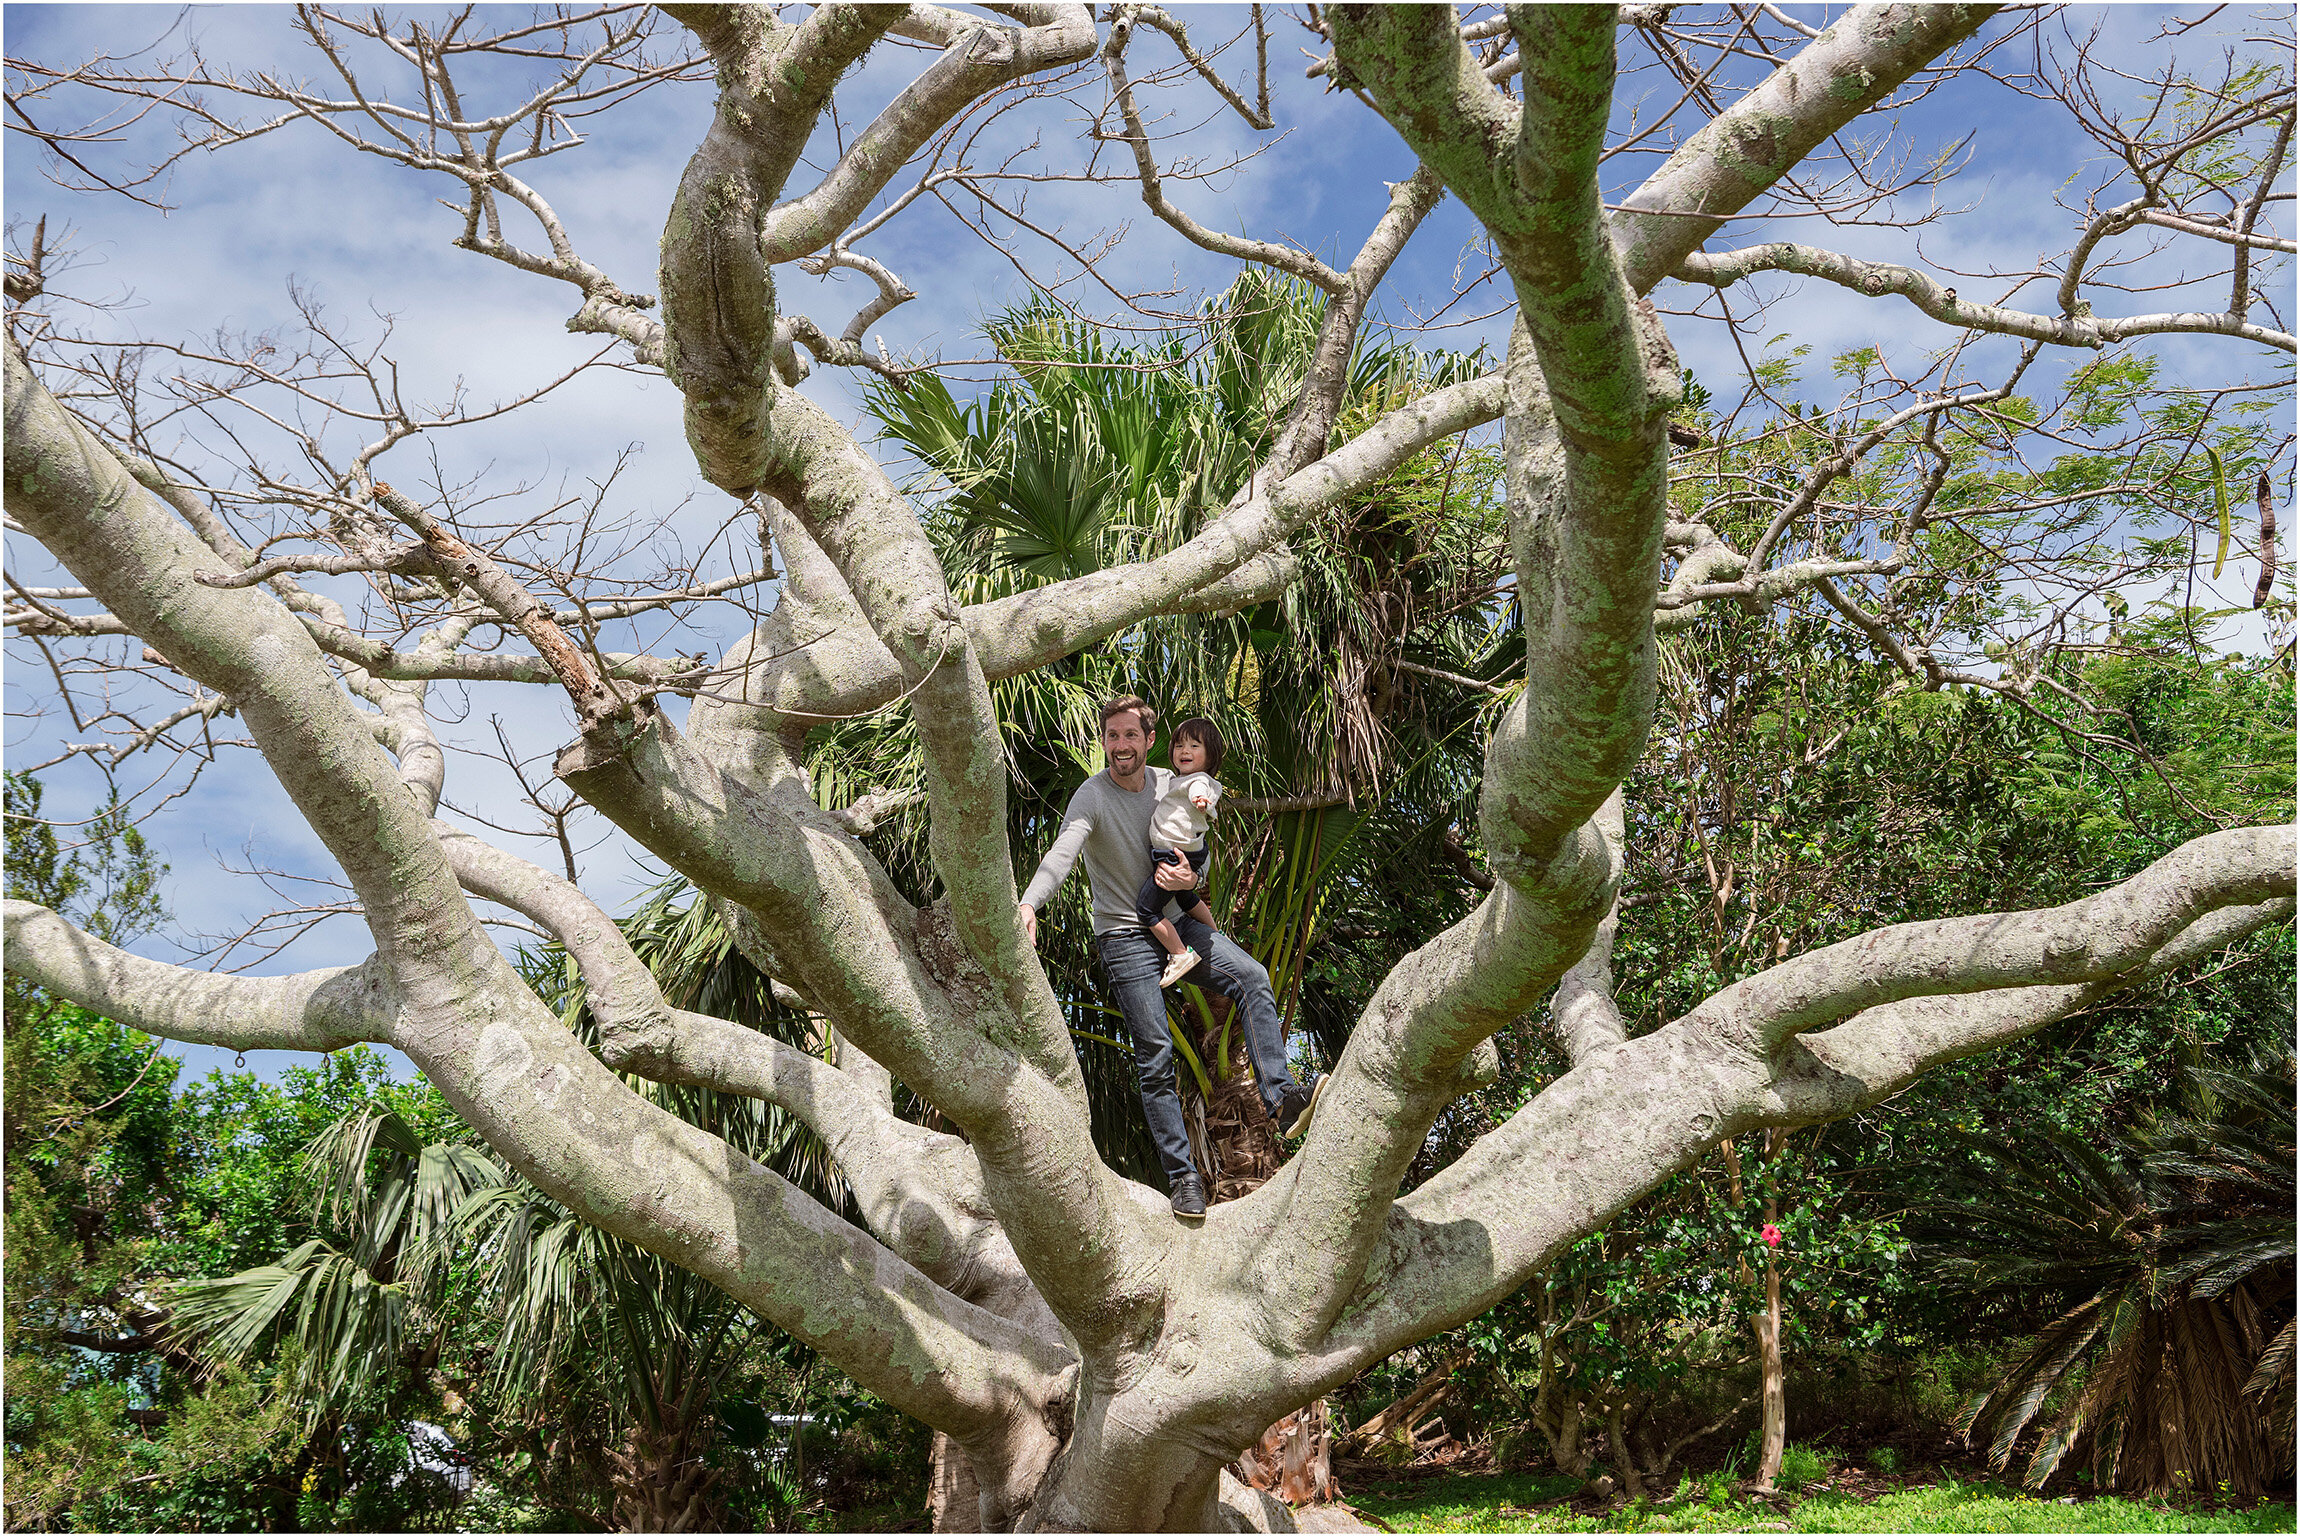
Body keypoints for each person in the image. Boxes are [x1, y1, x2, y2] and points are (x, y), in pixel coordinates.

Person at [1018, 696, 1324, 1219]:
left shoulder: (1172, 782)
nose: (1120, 746)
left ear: (1148, 740)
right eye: (1112, 736)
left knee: (1251, 976)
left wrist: (1192, 880)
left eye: (1130, 736)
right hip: (1123, 936)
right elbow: (1062, 853)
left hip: (1179, 922)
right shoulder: (1092, 796)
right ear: (1105, 741)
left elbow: (1194, 852)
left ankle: (1282, 1097)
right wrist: (1028, 904)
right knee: (1155, 1053)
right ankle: (1184, 1178)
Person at [1136, 716, 1224, 990]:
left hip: (1175, 855)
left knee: (1147, 909)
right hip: (1183, 851)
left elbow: (1201, 792)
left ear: (1211, 755)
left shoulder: (1198, 781)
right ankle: (1216, 934)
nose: (1184, 751)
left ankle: (1178, 953)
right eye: (1179, 745)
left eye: (1194, 745)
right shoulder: (1179, 779)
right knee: (1186, 897)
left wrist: (1201, 801)